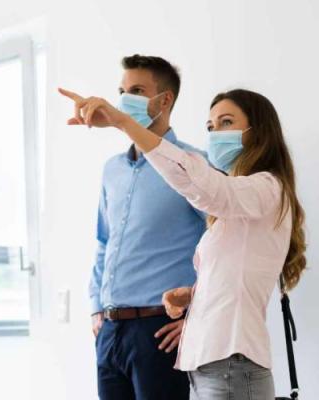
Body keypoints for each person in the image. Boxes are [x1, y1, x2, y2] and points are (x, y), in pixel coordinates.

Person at [58, 87, 307, 400]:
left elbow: (198, 183)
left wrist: (124, 122)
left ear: (259, 132)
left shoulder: (265, 188)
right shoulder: (241, 202)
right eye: (211, 127)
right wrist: (194, 295)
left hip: (231, 366)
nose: (216, 133)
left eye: (226, 122)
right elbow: (239, 275)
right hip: (216, 366)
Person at [86, 55, 207, 400]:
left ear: (164, 100)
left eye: (137, 90)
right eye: (122, 90)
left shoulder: (193, 165)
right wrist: (97, 306)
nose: (125, 100)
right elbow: (103, 241)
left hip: (160, 331)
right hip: (110, 331)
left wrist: (198, 317)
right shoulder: (112, 169)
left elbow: (224, 249)